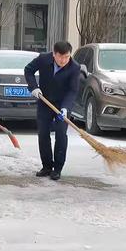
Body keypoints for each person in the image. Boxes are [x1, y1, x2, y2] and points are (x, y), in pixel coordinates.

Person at [24, 41, 80, 181]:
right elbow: (28, 70)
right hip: (45, 101)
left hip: (62, 105)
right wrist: (34, 87)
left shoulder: (74, 67)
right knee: (43, 133)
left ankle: (57, 169)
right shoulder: (43, 59)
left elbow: (72, 91)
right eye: (60, 57)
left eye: (67, 57)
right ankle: (47, 166)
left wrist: (65, 109)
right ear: (54, 54)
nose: (63, 60)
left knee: (61, 134)